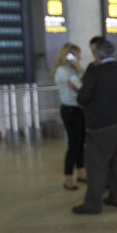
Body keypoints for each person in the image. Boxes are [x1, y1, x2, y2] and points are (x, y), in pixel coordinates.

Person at [72, 38, 117, 214]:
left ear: (96, 54)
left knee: (96, 166)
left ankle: (93, 204)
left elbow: (83, 97)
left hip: (99, 127)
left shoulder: (95, 72)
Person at [51, 42, 86, 190]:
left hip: (79, 110)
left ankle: (81, 172)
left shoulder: (72, 70)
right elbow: (82, 88)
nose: (79, 57)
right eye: (76, 55)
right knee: (73, 143)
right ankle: (68, 178)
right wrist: (79, 69)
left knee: (81, 143)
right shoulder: (63, 71)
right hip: (70, 110)